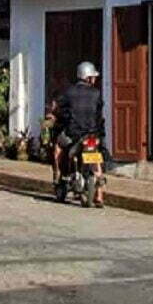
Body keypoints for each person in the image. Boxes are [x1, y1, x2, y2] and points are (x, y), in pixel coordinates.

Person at [55, 61, 106, 207]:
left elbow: (62, 112)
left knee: (58, 148)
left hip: (74, 135)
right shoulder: (96, 94)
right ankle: (100, 195)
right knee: (97, 160)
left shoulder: (69, 92)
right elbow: (99, 116)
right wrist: (99, 134)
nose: (95, 79)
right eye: (93, 77)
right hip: (92, 136)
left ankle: (60, 175)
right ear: (88, 78)